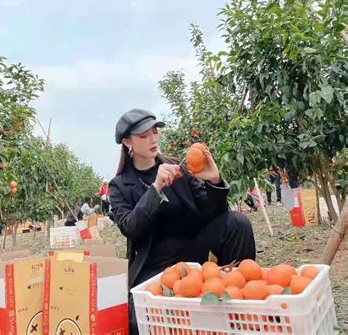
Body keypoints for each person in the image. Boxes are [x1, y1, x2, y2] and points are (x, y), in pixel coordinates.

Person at [109, 109, 256, 334]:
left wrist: (214, 181)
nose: (153, 139)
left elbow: (211, 213)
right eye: (143, 135)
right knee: (140, 323)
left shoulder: (178, 168)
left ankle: (241, 299)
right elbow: (131, 228)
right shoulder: (119, 186)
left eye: (155, 132)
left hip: (190, 253)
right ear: (128, 142)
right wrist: (156, 188)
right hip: (154, 265)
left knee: (236, 222)